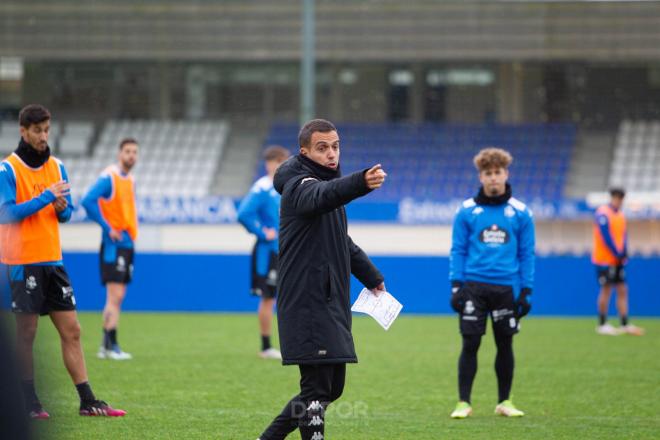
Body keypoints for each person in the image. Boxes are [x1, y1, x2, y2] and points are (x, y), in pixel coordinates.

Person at [258, 119, 387, 440]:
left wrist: (371, 277)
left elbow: (342, 241)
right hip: (308, 302)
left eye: (335, 146)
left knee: (332, 389)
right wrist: (360, 182)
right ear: (305, 152)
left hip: (329, 301)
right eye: (322, 148)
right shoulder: (300, 186)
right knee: (316, 391)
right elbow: (322, 195)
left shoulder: (326, 187)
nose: (331, 154)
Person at [0, 104, 126, 418]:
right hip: (21, 260)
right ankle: (29, 403)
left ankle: (87, 400)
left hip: (52, 261)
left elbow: (67, 214)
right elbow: (6, 214)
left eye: (46, 130)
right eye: (38, 131)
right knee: (26, 334)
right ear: (23, 131)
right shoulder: (8, 169)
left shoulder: (57, 166)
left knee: (72, 330)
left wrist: (59, 207)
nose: (44, 136)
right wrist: (46, 198)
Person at [448, 147, 534, 419]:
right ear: (481, 176)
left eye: (498, 172)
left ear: (506, 174)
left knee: (505, 345)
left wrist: (526, 291)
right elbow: (458, 250)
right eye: (488, 173)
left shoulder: (521, 213)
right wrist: (456, 286)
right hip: (474, 288)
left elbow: (526, 253)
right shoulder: (467, 211)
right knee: (470, 344)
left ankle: (504, 401)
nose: (493, 178)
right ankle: (464, 402)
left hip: (505, 289)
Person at [81, 138, 139, 359]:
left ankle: (107, 345)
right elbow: (88, 200)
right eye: (127, 151)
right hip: (113, 245)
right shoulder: (109, 177)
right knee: (114, 296)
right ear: (119, 153)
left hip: (127, 244)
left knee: (118, 295)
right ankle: (110, 345)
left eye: (134, 152)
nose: (131, 155)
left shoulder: (130, 179)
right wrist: (108, 227)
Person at [237, 146, 290, 360]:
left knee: (282, 298)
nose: (278, 166)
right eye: (275, 162)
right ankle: (266, 345)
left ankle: (281, 344)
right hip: (268, 253)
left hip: (285, 250)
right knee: (269, 298)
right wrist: (261, 232)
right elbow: (243, 214)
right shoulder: (262, 187)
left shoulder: (285, 187)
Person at [592, 188, 644, 336]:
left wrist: (624, 251)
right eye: (617, 198)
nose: (619, 201)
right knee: (606, 290)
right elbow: (605, 236)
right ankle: (602, 324)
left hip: (618, 260)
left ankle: (624, 323)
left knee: (622, 289)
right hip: (604, 260)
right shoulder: (603, 213)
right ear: (612, 197)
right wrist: (617, 252)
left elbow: (623, 235)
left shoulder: (621, 215)